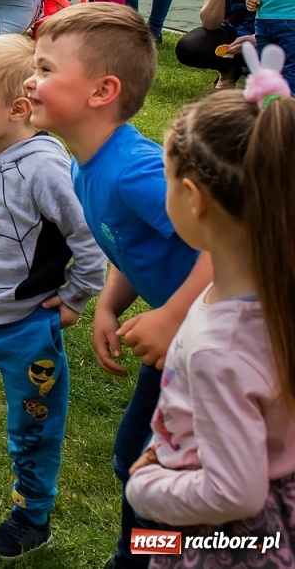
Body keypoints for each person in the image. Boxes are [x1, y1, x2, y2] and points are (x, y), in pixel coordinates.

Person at [27, 4, 213, 569]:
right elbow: (130, 245)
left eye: (45, 69)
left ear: (101, 91)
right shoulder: (86, 163)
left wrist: (172, 314)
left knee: (175, 470)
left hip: (223, 343)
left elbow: (228, 241)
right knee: (138, 456)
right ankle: (140, 555)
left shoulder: (134, 172)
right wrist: (110, 303)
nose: (30, 81)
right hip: (185, 338)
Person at [0, 35, 106, 559]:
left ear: (18, 108)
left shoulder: (47, 166)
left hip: (25, 326)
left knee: (32, 423)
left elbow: (89, 239)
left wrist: (77, 296)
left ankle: (33, 516)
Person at [126, 84, 295, 566]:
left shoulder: (220, 349)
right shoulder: (269, 287)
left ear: (194, 197)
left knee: (155, 544)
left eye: (166, 176)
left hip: (231, 539)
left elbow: (233, 492)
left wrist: (146, 489)